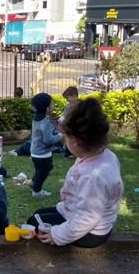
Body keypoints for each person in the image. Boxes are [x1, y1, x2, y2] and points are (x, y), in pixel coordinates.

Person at [30, 98, 123, 248]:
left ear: (75, 141)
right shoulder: (103, 155)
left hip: (92, 233)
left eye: (65, 138)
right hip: (78, 213)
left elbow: (87, 218)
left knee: (34, 222)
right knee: (39, 214)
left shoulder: (94, 176)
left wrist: (57, 235)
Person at [30, 92, 63, 198]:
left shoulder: (37, 119)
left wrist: (55, 132)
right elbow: (49, 140)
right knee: (43, 173)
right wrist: (60, 135)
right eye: (52, 103)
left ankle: (33, 182)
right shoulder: (45, 122)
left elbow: (46, 134)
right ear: (47, 108)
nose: (54, 105)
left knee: (41, 170)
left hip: (36, 152)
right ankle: (36, 191)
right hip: (42, 154)